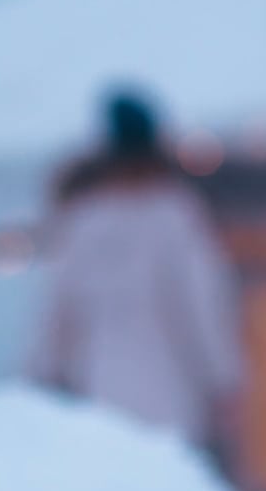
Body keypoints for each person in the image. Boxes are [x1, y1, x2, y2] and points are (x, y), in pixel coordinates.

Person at [27, 90, 243, 444]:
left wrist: (44, 373)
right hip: (167, 392)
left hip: (101, 389)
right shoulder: (173, 216)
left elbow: (58, 310)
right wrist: (223, 378)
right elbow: (202, 303)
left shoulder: (85, 219)